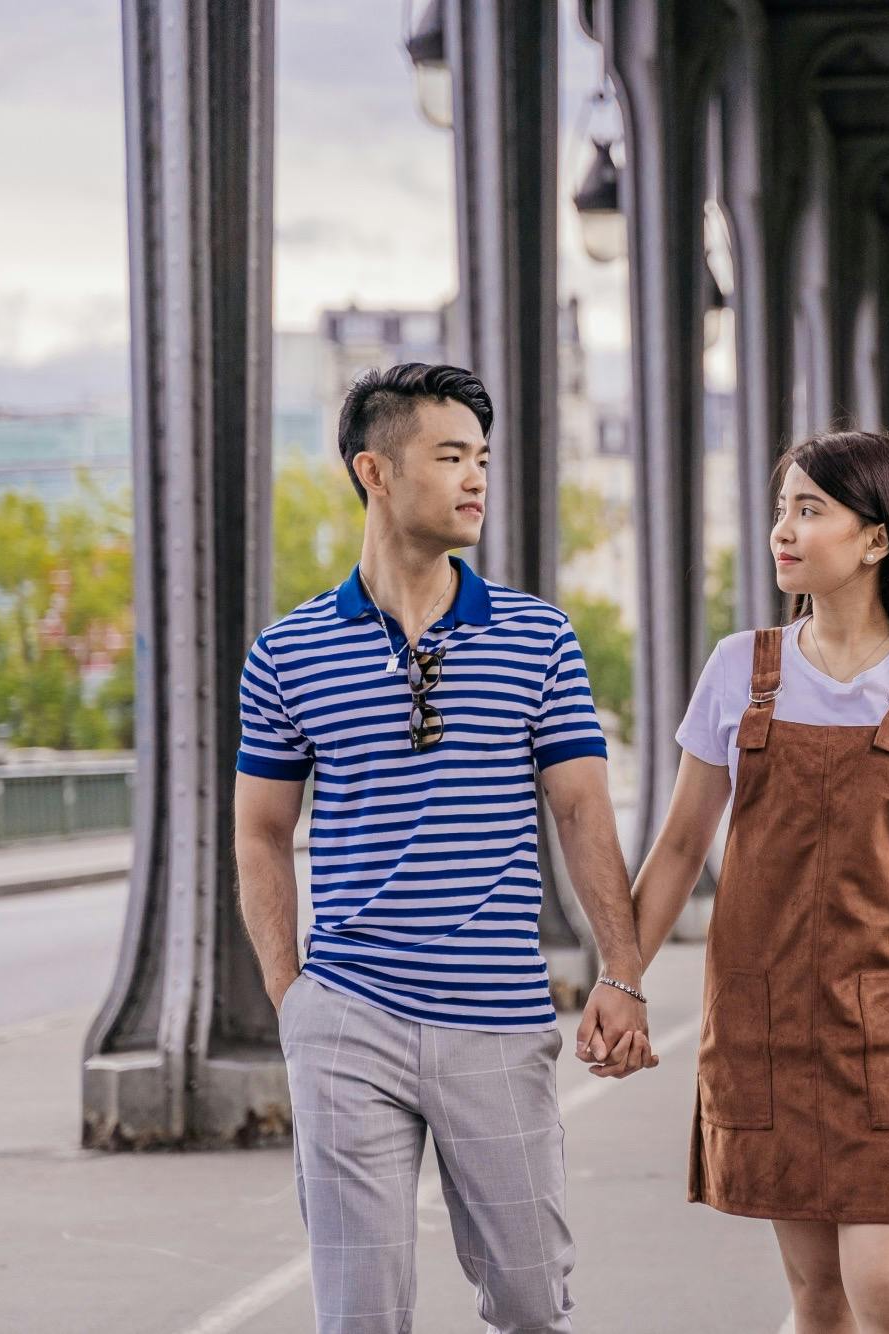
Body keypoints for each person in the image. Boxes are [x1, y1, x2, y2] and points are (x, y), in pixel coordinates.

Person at [232, 363, 652, 1334]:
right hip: (348, 1018)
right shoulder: (287, 652)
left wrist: (621, 970)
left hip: (496, 1017)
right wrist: (293, 999)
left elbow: (582, 810)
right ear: (374, 471)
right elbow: (260, 830)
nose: (476, 479)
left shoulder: (538, 637)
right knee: (360, 1314)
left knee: (531, 1301)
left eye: (483, 459)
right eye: (451, 456)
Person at [627, 430, 889, 1334]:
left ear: (877, 539)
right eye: (782, 508)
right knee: (818, 1299)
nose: (783, 529)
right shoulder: (739, 669)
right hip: (766, 1028)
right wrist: (622, 982)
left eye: (810, 510)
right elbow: (680, 845)